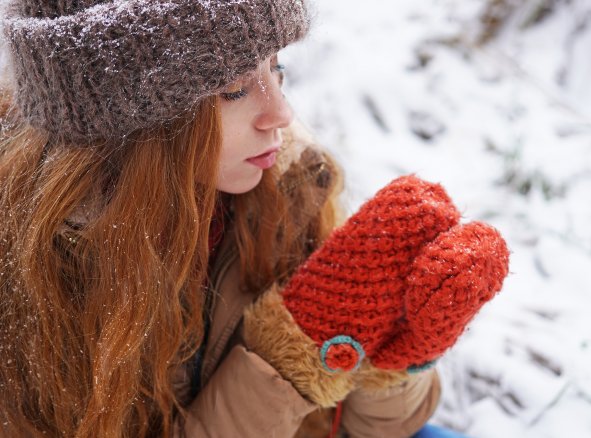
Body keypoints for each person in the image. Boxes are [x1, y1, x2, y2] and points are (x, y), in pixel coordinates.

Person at [0, 1, 510, 437]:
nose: (281, 113)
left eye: (276, 67)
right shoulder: (38, 277)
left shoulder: (285, 192)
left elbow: (380, 429)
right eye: (234, 89)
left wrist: (392, 352)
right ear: (132, 123)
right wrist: (285, 365)